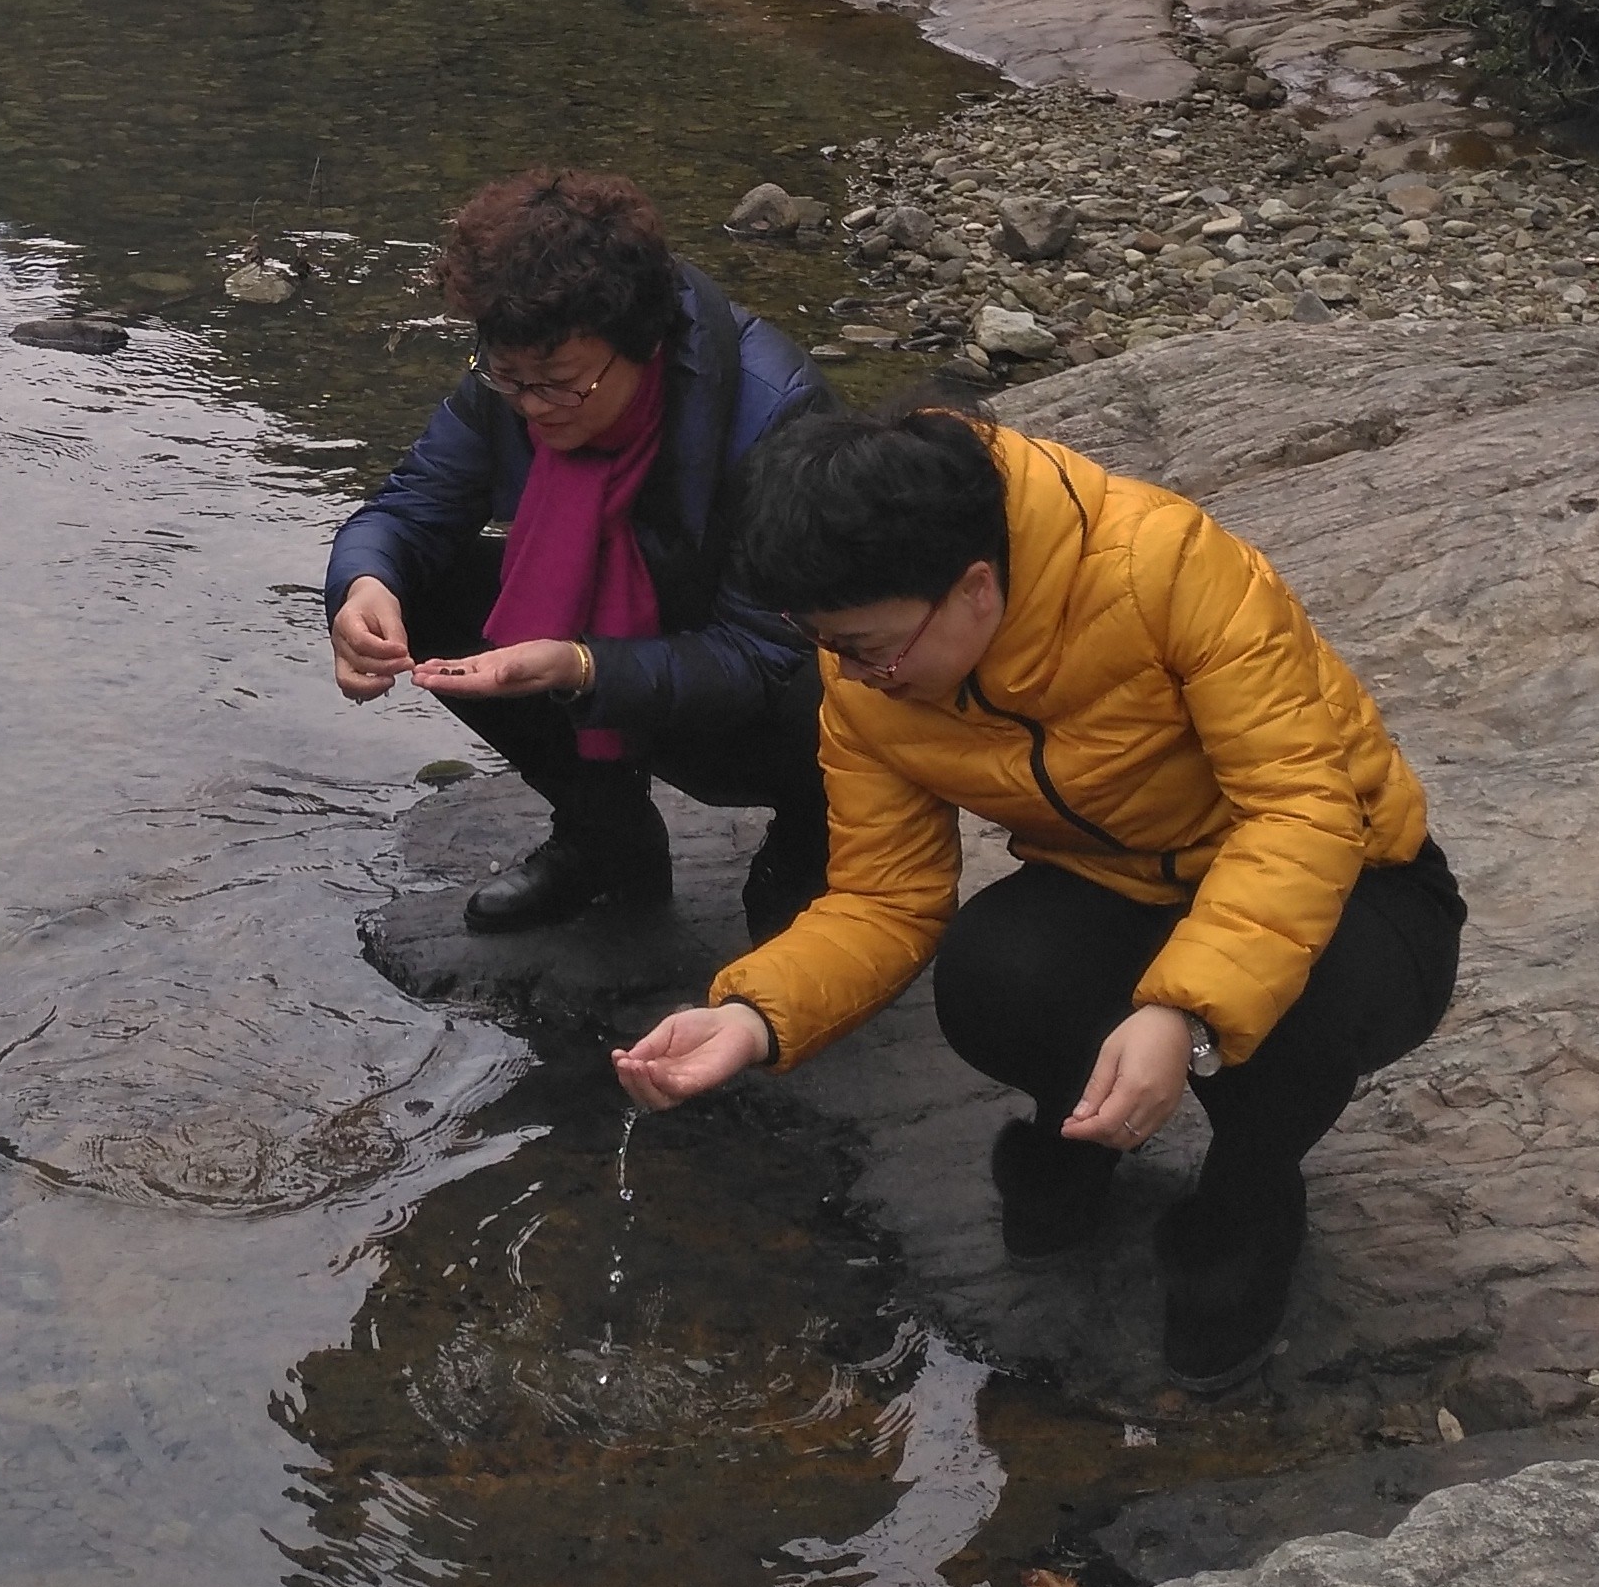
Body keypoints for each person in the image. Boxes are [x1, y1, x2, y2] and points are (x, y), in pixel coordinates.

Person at [610, 399, 1464, 1385]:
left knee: (1284, 1025)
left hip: (1357, 883)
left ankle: (1244, 1207)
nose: (854, 673)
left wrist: (1181, 1012)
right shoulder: (865, 678)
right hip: (1119, 881)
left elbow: (1302, 809)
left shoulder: (1167, 567)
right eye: (826, 643)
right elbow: (884, 899)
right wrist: (752, 1017)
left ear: (976, 588)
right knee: (994, 977)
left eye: (872, 645)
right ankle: (1083, 1125)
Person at [325, 164, 832, 941]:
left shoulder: (775, 414)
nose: (532, 407)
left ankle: (812, 844)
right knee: (418, 583)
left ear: (644, 343)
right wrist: (363, 586)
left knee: (831, 685)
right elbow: (404, 512)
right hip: (627, 657)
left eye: (560, 384)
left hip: (766, 699)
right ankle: (607, 838)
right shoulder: (511, 381)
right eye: (510, 379)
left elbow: (763, 653)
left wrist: (586, 667)